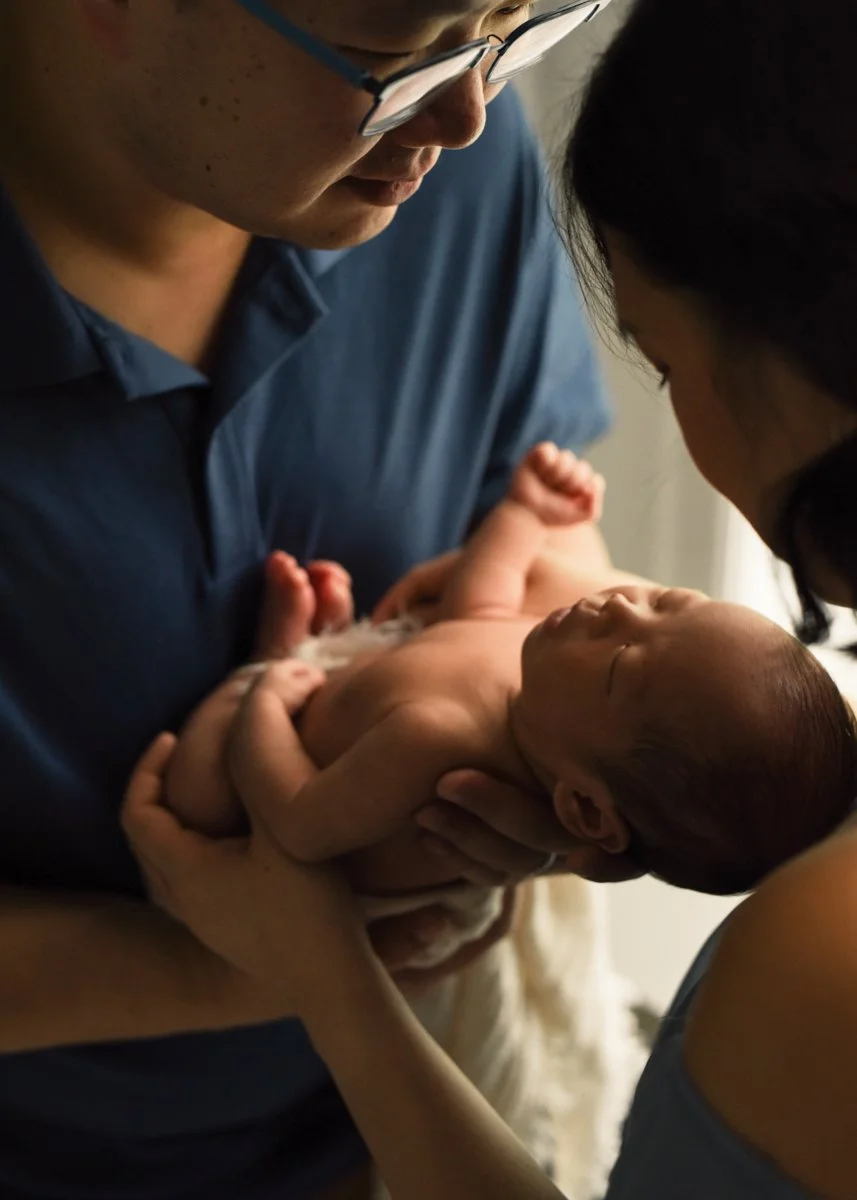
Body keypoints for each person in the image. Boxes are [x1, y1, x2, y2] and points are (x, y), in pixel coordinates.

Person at [122, 0, 857, 1196]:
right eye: (395, 50)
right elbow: (548, 545)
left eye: (660, 360)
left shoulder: (815, 962)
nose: (459, 107)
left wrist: (300, 962)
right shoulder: (444, 152)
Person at [0, 1, 624, 1198]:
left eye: (517, 22)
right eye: (394, 53)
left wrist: (545, 718)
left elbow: (538, 513)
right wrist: (247, 967)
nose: (467, 110)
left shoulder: (449, 165)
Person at [168, 441, 857, 900]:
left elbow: (300, 822)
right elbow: (481, 609)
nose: (620, 606)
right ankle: (316, 652)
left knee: (197, 792)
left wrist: (264, 701)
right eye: (665, 601)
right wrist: (524, 514)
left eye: (621, 661)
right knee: (408, 633)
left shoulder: (436, 743)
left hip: (285, 755)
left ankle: (276, 655)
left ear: (583, 807)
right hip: (361, 669)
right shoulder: (551, 688)